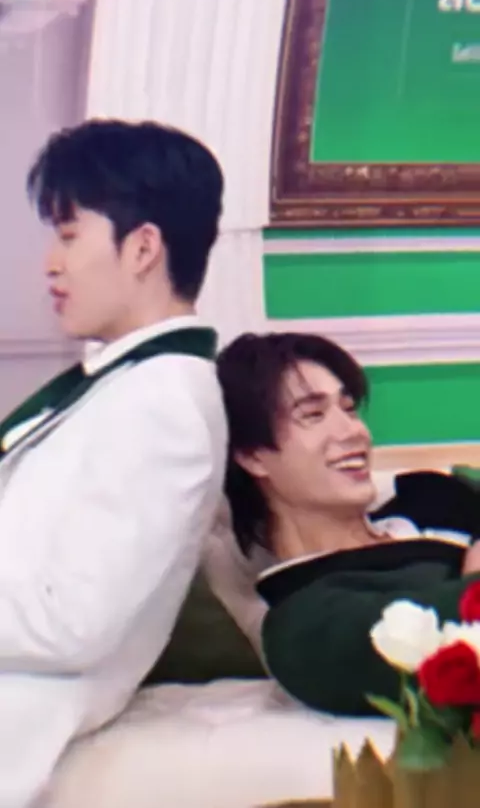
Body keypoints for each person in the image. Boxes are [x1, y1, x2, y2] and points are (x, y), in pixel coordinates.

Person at [0, 119, 227, 807]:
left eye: (69, 236)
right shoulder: (127, 384)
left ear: (143, 248)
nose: (51, 263)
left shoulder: (164, 403)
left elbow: (75, 621)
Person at [216, 332, 480, 716]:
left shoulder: (429, 497)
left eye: (350, 409)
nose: (355, 431)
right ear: (253, 456)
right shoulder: (304, 626)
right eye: (313, 415)